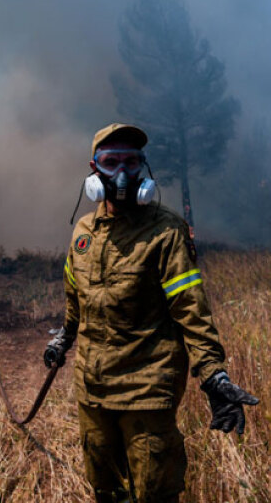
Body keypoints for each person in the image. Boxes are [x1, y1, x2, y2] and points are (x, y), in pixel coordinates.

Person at [44, 123, 259, 503]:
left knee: (154, 493)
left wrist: (213, 374)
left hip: (147, 388)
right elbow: (75, 294)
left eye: (132, 162)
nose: (122, 173)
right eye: (112, 162)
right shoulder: (83, 231)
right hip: (92, 389)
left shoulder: (166, 231)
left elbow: (190, 308)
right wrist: (64, 337)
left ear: (144, 169)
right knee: (106, 489)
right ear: (94, 169)